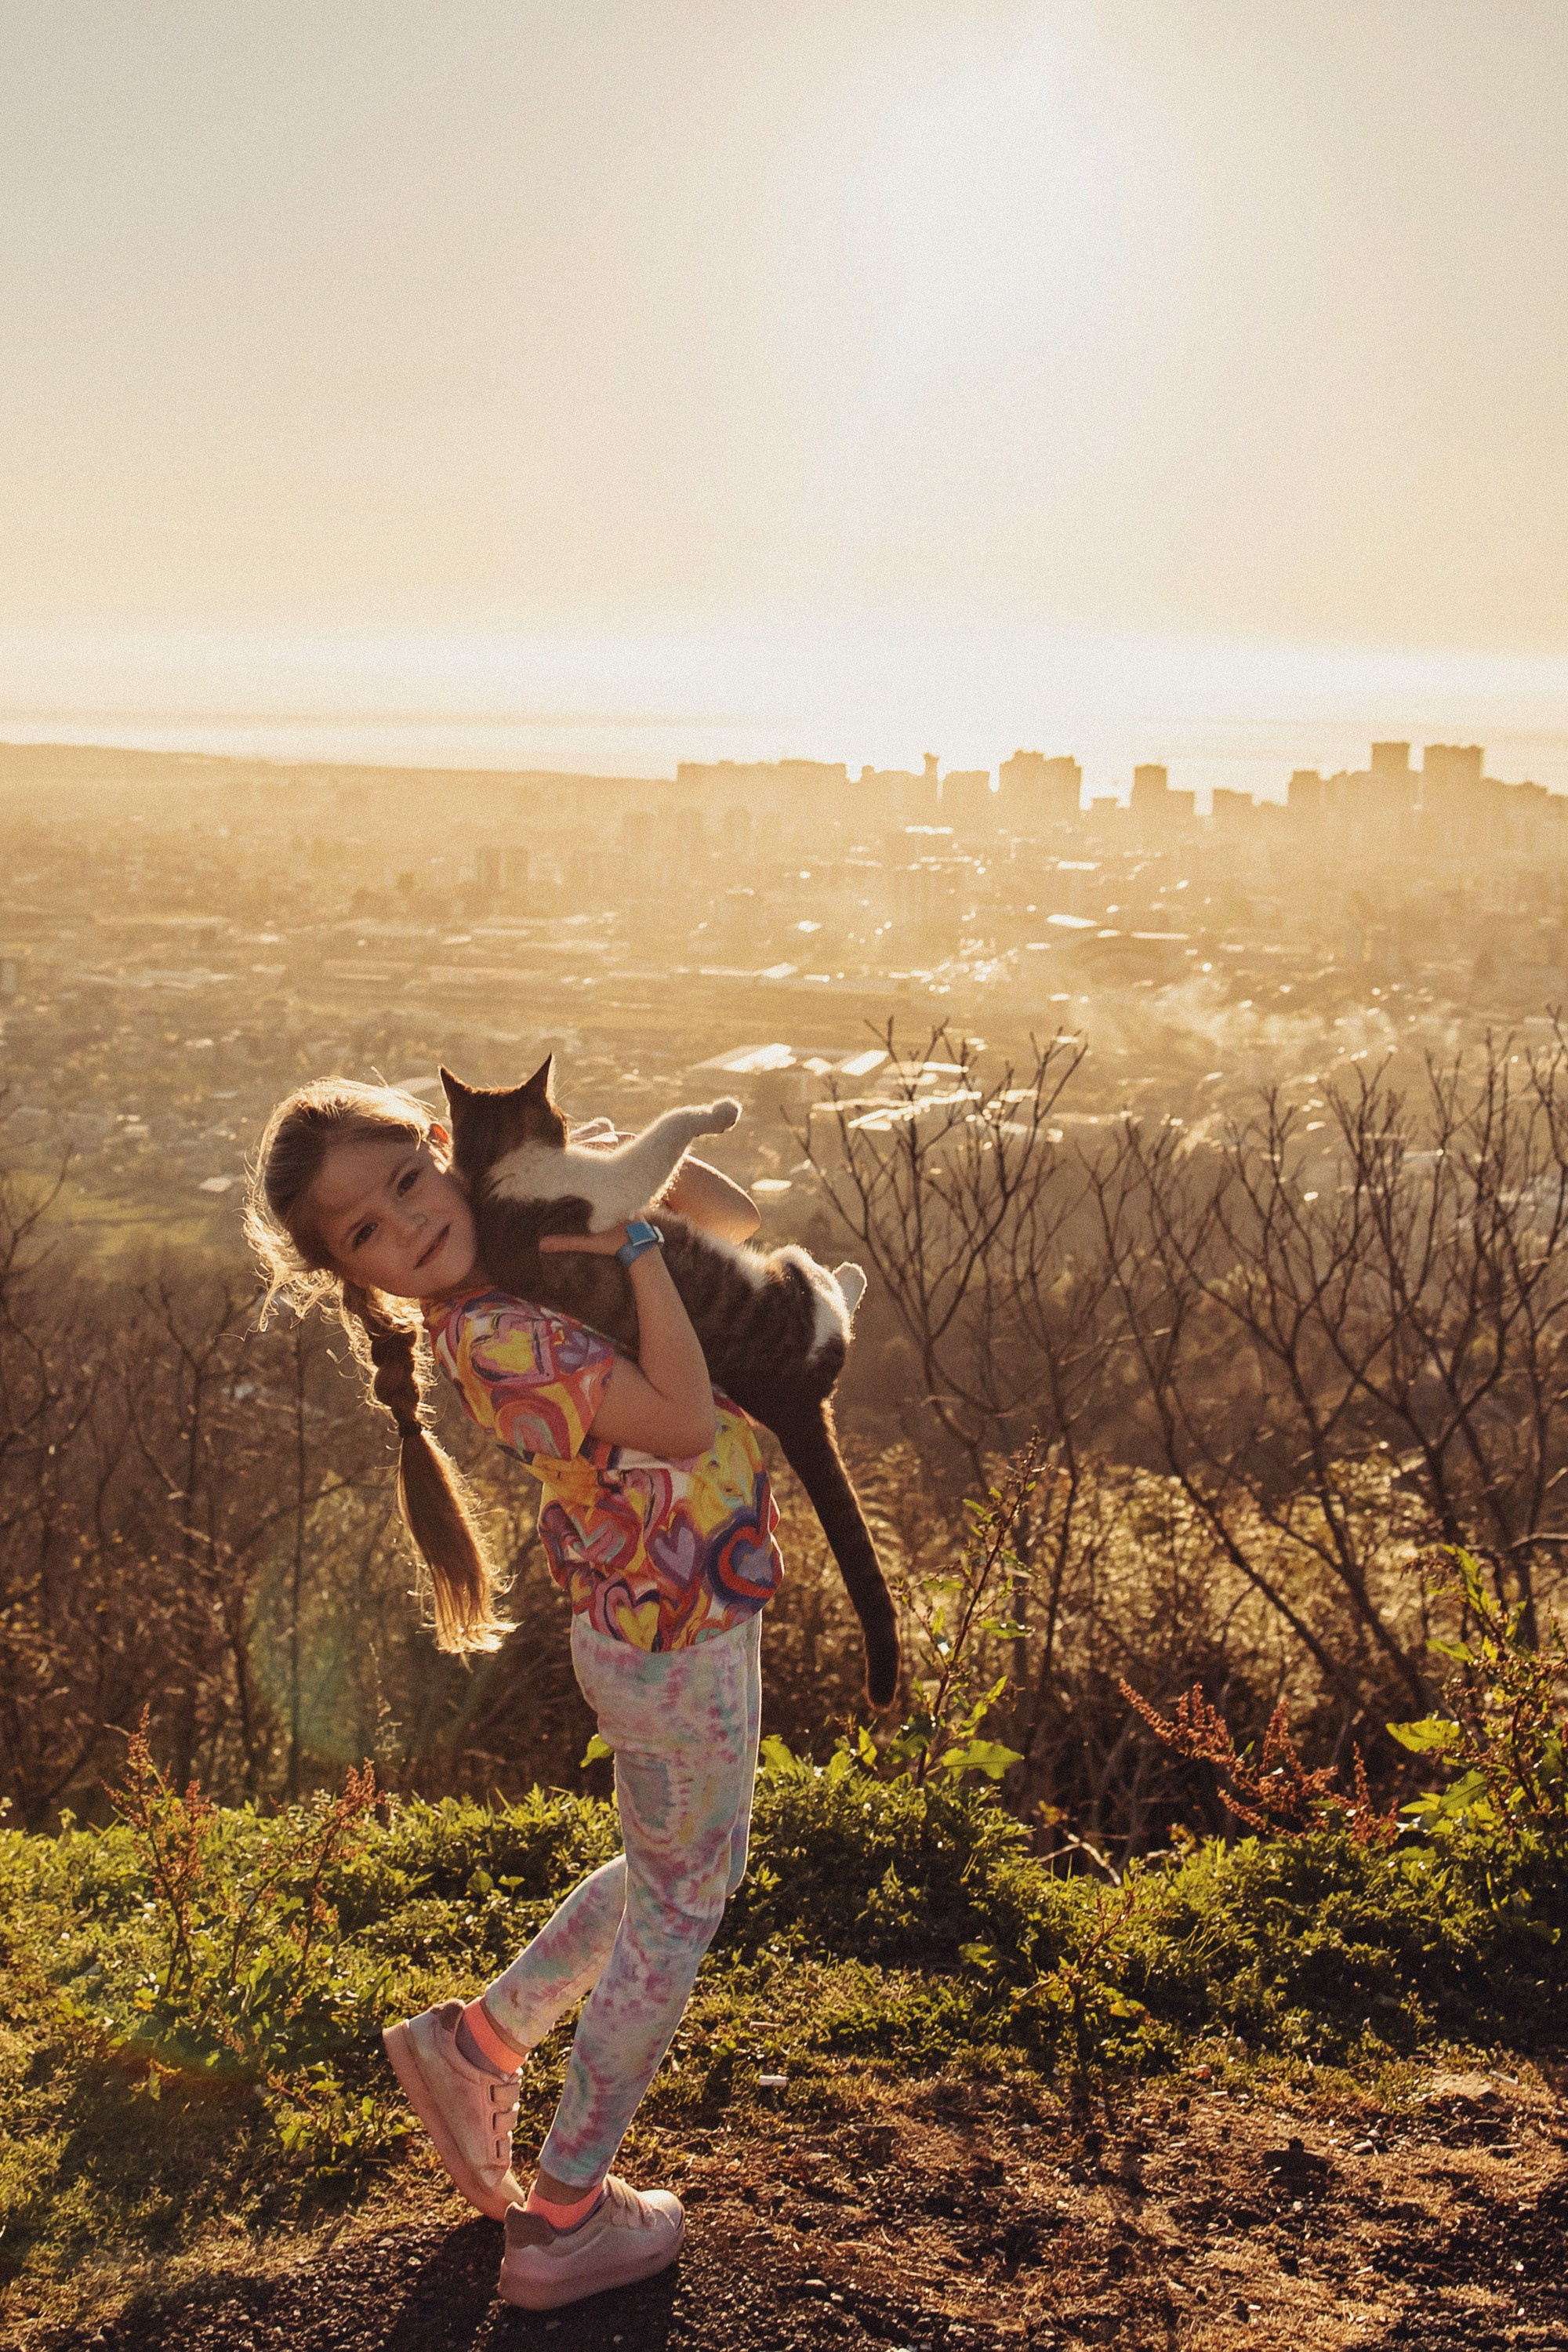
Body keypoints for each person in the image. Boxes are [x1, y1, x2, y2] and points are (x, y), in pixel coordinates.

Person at [245, 1077, 779, 2311]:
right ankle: (563, 2219)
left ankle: (476, 2043)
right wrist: (635, 1243)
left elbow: (738, 1221)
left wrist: (598, 1164)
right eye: (365, 1232)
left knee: (681, 1872)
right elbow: (688, 1423)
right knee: (680, 1916)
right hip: (669, 1640)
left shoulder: (517, 1265)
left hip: (684, 1610)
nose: (408, 1225)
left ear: (443, 1152)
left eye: (407, 1184)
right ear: (352, 1274)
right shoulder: (492, 1332)